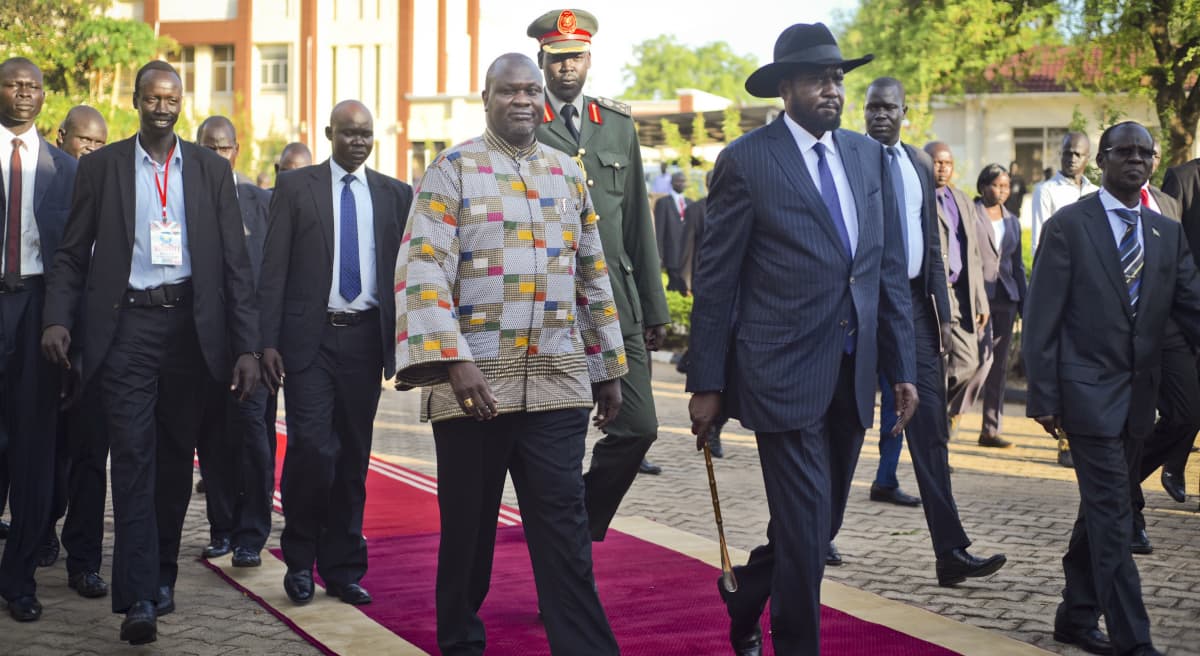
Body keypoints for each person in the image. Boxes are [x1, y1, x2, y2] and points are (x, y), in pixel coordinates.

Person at [688, 24, 919, 654]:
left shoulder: (868, 157)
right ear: (785, 87)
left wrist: (902, 366)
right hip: (778, 374)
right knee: (808, 523)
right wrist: (706, 383)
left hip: (853, 371)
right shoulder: (747, 160)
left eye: (838, 77)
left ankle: (747, 593)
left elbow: (885, 269)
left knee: (817, 524)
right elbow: (716, 281)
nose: (832, 88)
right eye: (818, 78)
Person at [395, 52, 625, 656]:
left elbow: (592, 273)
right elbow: (422, 270)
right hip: (475, 391)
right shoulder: (453, 169)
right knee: (469, 536)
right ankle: (462, 643)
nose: (522, 100)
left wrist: (606, 367)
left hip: (558, 387)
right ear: (486, 96)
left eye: (530, 90)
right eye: (508, 91)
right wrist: (453, 359)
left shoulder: (567, 173)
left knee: (565, 532)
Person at [41, 60, 261, 645]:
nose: (162, 106)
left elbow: (236, 268)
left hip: (192, 331)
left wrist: (246, 347)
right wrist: (59, 319)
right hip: (127, 331)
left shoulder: (212, 171)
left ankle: (162, 576)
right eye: (152, 97)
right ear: (136, 101)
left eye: (172, 98)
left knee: (171, 461)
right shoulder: (105, 168)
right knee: (133, 458)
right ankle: (137, 595)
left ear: (181, 103)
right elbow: (70, 253)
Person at [1023, 120, 1194, 656]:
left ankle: (1075, 618)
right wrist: (1044, 397)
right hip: (1086, 397)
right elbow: (1042, 316)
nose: (1138, 160)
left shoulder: (1166, 231)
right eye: (1126, 151)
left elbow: (1191, 305)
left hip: (1139, 401)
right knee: (1115, 517)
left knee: (1103, 508)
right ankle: (1133, 639)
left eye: (1146, 153)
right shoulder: (1070, 226)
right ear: (1102, 159)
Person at [846, 78, 1005, 586]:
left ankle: (950, 552)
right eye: (872, 108)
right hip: (862, 308)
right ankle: (810, 539)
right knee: (846, 429)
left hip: (914, 309)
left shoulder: (917, 163)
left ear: (904, 111)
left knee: (932, 429)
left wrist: (946, 312)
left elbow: (933, 250)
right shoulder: (849, 157)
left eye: (889, 108)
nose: (879, 116)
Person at [258, 100, 412, 608]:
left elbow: (406, 276)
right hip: (310, 343)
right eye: (349, 133)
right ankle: (300, 561)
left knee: (352, 457)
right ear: (329, 134)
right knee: (312, 451)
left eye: (366, 134)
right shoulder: (296, 188)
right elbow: (273, 268)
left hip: (364, 342)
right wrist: (267, 341)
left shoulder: (394, 195)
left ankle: (343, 567)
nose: (359, 142)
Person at [530, 8, 671, 524]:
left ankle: (579, 521)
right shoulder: (526, 122)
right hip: (554, 308)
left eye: (576, 56)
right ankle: (565, 548)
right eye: (557, 58)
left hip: (618, 301)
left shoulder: (615, 125)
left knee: (639, 427)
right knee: (560, 441)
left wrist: (654, 308)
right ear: (541, 61)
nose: (567, 66)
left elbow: (638, 220)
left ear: (589, 58)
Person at [0, 57, 78, 623]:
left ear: (44, 96)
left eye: (33, 86)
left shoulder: (65, 170)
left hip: (39, 316)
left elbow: (72, 261)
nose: (24, 93)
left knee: (33, 451)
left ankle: (20, 578)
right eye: (13, 84)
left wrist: (63, 322)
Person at [193, 116, 277, 568]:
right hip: (203, 346)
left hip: (255, 346)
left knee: (253, 439)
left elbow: (273, 277)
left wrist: (267, 344)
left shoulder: (259, 202)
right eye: (208, 146)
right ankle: (221, 529)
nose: (216, 154)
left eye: (224, 148)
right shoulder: (186, 200)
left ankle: (251, 535)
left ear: (236, 150)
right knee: (212, 441)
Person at [43, 105, 111, 600]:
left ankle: (83, 560)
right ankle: (39, 528)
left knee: (89, 455)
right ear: (62, 137)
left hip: (95, 348)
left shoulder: (112, 193)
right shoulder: (42, 187)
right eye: (84, 141)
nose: (91, 150)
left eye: (100, 143)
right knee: (42, 449)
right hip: (43, 341)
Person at [1032, 131, 1099, 468]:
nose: (1072, 158)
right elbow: (1039, 244)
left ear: (1089, 158)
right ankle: (1064, 439)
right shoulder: (1046, 191)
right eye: (1067, 153)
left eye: (1078, 154)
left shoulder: (1096, 193)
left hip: (1091, 294)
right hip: (1059, 288)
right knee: (1060, 362)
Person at [925, 142, 990, 440]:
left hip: (961, 294)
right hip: (932, 294)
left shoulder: (962, 200)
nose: (942, 167)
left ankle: (937, 412)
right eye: (937, 162)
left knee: (969, 363)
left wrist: (980, 300)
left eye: (947, 162)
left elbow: (973, 253)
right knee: (939, 361)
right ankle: (936, 430)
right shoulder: (917, 198)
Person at [972, 164, 1026, 451]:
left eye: (1006, 186)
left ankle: (990, 430)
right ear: (983, 186)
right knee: (977, 362)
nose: (1002, 190)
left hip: (1006, 298)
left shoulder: (1013, 221)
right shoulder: (969, 214)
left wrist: (1025, 304)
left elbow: (1016, 266)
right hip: (978, 298)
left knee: (999, 366)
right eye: (996, 185)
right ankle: (951, 415)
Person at [1157, 147, 1200, 507]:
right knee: (1186, 406)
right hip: (1187, 310)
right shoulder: (1184, 177)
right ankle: (1173, 462)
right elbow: (1166, 241)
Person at [655, 171, 691, 294]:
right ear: (672, 183)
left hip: (687, 256)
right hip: (671, 255)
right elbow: (659, 231)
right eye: (678, 181)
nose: (681, 184)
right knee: (673, 287)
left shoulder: (690, 203)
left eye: (683, 181)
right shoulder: (663, 203)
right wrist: (659, 254)